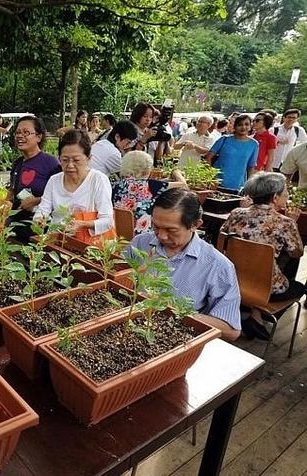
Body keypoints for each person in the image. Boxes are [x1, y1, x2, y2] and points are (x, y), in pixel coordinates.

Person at [125, 188, 242, 341]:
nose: (161, 236)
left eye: (171, 230)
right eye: (156, 227)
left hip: (176, 339)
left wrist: (173, 311)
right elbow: (118, 280)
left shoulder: (217, 265)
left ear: (195, 225)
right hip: (129, 325)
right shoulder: (140, 243)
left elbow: (231, 329)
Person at [220, 172, 304, 340]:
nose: (287, 196)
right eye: (285, 192)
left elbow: (222, 238)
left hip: (232, 279)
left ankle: (252, 316)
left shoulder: (237, 212)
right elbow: (297, 252)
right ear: (274, 197)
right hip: (265, 288)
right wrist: (293, 222)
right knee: (299, 286)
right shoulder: (285, 222)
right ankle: (256, 317)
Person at [34, 129, 114, 244]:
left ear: (88, 159)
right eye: (65, 160)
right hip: (57, 241)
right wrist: (39, 219)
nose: (70, 165)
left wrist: (82, 224)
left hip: (89, 246)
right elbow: (43, 209)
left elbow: (107, 221)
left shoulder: (98, 180)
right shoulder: (54, 180)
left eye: (76, 160)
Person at [6, 115, 61, 242]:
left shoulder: (50, 163)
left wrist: (36, 201)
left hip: (39, 228)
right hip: (15, 225)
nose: (20, 136)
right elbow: (12, 191)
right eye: (18, 132)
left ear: (39, 136)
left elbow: (61, 195)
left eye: (26, 132)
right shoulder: (17, 163)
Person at [112, 150, 187, 235]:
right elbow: (183, 185)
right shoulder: (150, 185)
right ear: (146, 169)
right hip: (142, 235)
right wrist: (176, 173)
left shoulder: (116, 185)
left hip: (118, 233)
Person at [205, 114, 258, 190]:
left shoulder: (254, 144)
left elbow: (251, 166)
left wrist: (249, 186)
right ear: (235, 126)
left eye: (246, 124)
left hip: (238, 185)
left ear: (250, 126)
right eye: (240, 125)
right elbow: (208, 157)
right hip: (217, 182)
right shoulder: (224, 139)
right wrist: (210, 177)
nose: (243, 127)